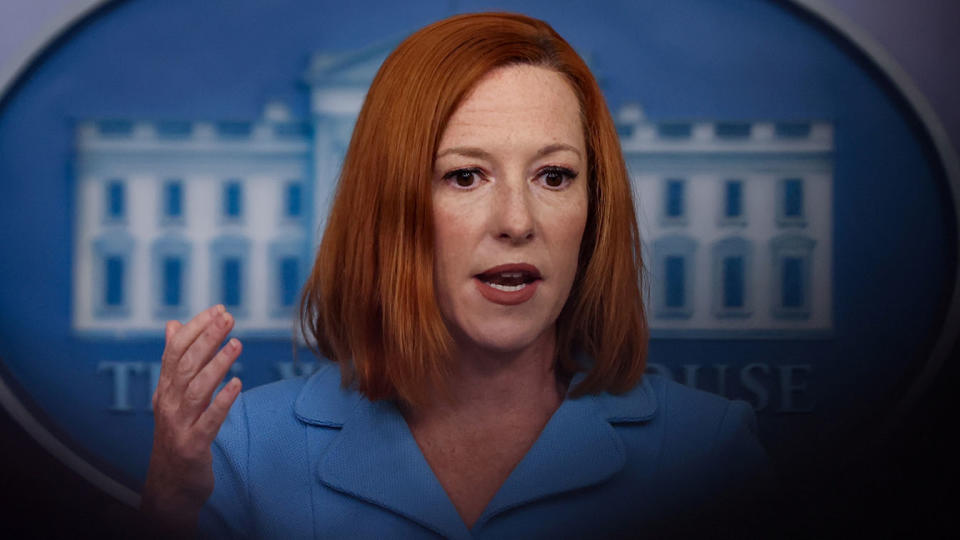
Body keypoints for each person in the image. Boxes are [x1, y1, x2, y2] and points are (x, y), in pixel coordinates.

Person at [141, 12, 771, 538]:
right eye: (465, 176)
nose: (518, 222)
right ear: (387, 208)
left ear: (595, 207)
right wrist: (168, 514)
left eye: (554, 176)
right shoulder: (247, 451)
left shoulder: (709, 451)